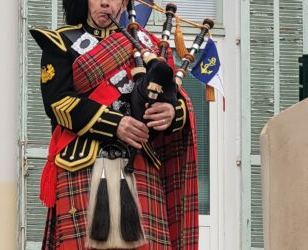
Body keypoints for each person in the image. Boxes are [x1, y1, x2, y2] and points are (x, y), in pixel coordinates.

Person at [30, 0, 199, 249]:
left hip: (139, 164)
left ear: (124, 3)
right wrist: (116, 124)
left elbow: (173, 97)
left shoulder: (148, 45)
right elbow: (57, 103)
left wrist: (172, 112)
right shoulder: (61, 41)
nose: (106, 3)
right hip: (82, 164)